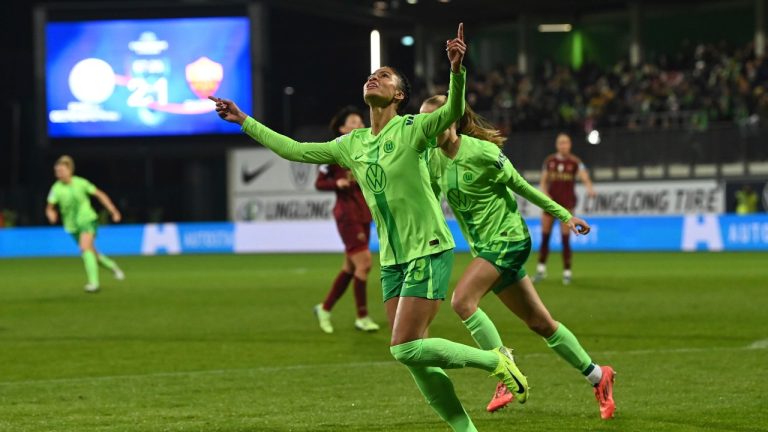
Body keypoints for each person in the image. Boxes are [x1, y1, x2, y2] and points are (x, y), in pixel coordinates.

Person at [211, 23, 529, 432]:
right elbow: (294, 150)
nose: (373, 78)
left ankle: (496, 360)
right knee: (414, 359)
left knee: (405, 347)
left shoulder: (413, 128)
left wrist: (456, 70)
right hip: (394, 257)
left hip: (428, 247)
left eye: (384, 76)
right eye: (370, 75)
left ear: (398, 95)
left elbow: (451, 111)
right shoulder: (353, 143)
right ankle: (464, 428)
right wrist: (245, 121)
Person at [421, 95, 616, 420]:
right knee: (541, 323)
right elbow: (427, 202)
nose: (427, 126)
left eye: (434, 118)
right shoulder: (432, 160)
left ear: (451, 120)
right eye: (423, 120)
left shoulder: (483, 152)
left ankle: (503, 371)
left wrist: (565, 215)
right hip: (487, 249)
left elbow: (523, 186)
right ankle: (598, 375)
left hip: (509, 239)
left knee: (462, 301)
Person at [313, 106, 380, 333]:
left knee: (350, 267)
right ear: (342, 128)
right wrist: (336, 183)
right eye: (353, 121)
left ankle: (325, 308)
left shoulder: (366, 150)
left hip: (363, 212)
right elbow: (319, 183)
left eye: (360, 121)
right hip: (347, 214)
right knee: (365, 263)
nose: (359, 124)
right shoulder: (335, 152)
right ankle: (362, 316)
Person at [45, 155, 125, 293]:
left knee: (84, 248)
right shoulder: (56, 188)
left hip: (88, 220)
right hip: (72, 226)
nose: (59, 174)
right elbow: (49, 207)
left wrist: (113, 210)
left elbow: (99, 194)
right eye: (57, 171)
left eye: (61, 170)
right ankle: (113, 266)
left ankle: (94, 283)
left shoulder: (81, 183)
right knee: (92, 253)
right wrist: (51, 215)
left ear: (69, 170)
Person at [534, 133, 596, 285]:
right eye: (561, 143)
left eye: (566, 143)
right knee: (545, 237)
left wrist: (589, 188)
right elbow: (543, 181)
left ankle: (567, 272)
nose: (563, 145)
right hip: (550, 205)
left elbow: (584, 176)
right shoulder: (549, 161)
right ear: (557, 145)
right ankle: (541, 270)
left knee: (565, 239)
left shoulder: (575, 162)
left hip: (567, 206)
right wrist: (545, 194)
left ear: (570, 145)